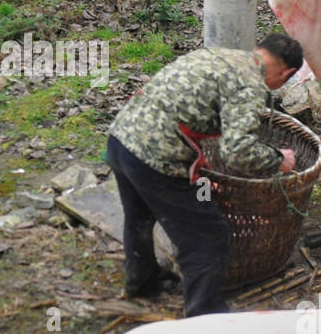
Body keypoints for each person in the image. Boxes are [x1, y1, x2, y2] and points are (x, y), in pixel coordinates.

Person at [106, 34, 302, 317]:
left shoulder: (219, 55)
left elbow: (189, 111)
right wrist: (278, 160)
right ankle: (204, 314)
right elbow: (238, 152)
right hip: (155, 158)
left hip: (121, 139)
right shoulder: (250, 84)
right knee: (207, 237)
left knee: (140, 216)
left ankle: (141, 279)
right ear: (287, 73)